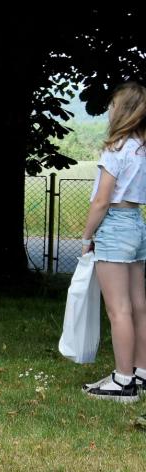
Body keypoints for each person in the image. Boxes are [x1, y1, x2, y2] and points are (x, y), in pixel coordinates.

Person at [77, 82, 146, 402]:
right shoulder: (142, 148)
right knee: (138, 306)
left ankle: (123, 381)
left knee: (118, 309)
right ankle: (141, 372)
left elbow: (101, 201)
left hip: (115, 225)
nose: (108, 109)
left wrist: (87, 236)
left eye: (112, 105)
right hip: (136, 223)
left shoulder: (116, 148)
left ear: (123, 110)